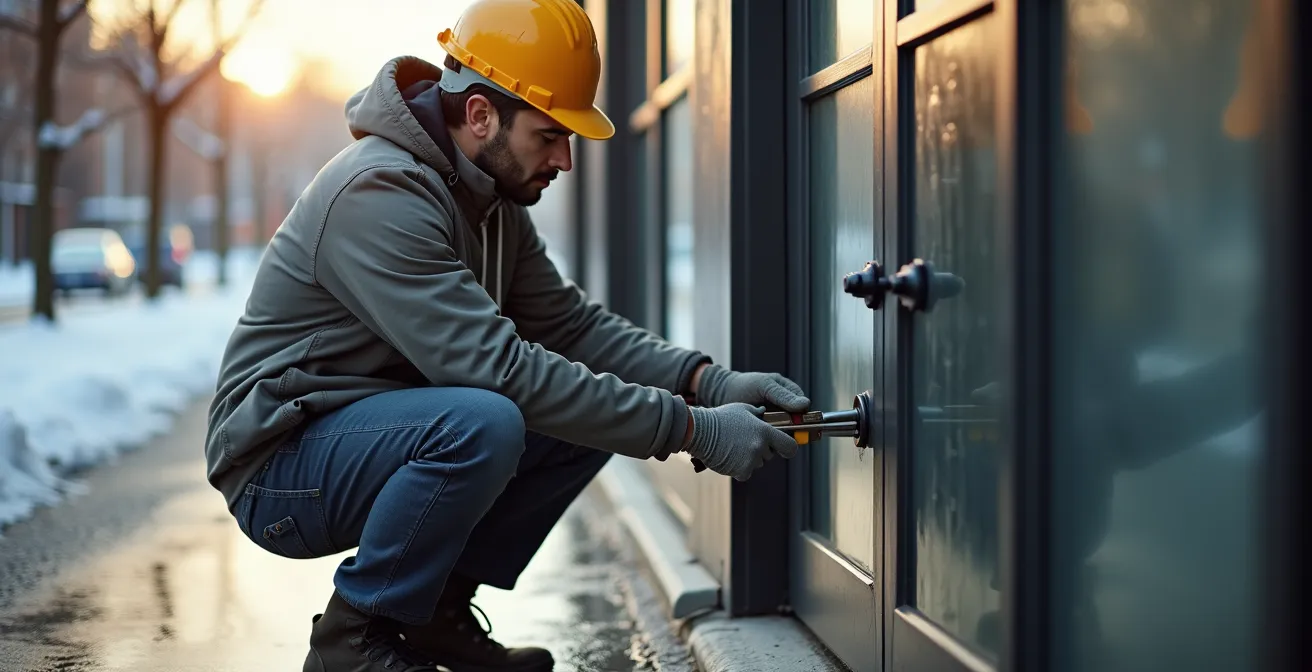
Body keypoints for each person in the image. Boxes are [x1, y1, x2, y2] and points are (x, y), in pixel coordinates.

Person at [203, 1, 808, 671]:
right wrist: (694, 430)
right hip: (280, 468)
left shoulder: (491, 198)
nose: (565, 159)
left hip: (368, 436)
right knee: (484, 420)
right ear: (481, 115)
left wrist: (706, 381)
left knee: (576, 417)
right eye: (549, 135)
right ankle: (352, 642)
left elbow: (573, 329)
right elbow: (499, 371)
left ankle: (433, 614)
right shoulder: (379, 194)